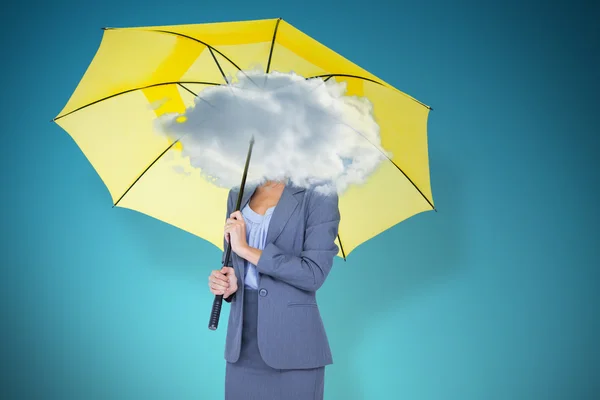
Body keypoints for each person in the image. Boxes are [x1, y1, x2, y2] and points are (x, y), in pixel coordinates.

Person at [208, 179, 341, 400]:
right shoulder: (238, 192)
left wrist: (246, 249)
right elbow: (233, 261)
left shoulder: (319, 192)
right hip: (241, 347)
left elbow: (313, 273)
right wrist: (230, 281)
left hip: (293, 348)